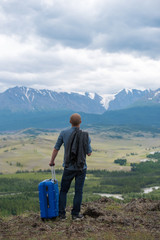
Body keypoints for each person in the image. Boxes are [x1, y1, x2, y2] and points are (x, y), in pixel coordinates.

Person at [49, 113, 92, 220]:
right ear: (80, 122)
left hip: (68, 167)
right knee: (78, 191)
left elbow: (56, 148)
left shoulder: (64, 133)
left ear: (70, 122)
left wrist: (52, 161)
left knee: (63, 191)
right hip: (81, 168)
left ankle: (62, 215)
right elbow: (89, 153)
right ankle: (75, 214)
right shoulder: (85, 135)